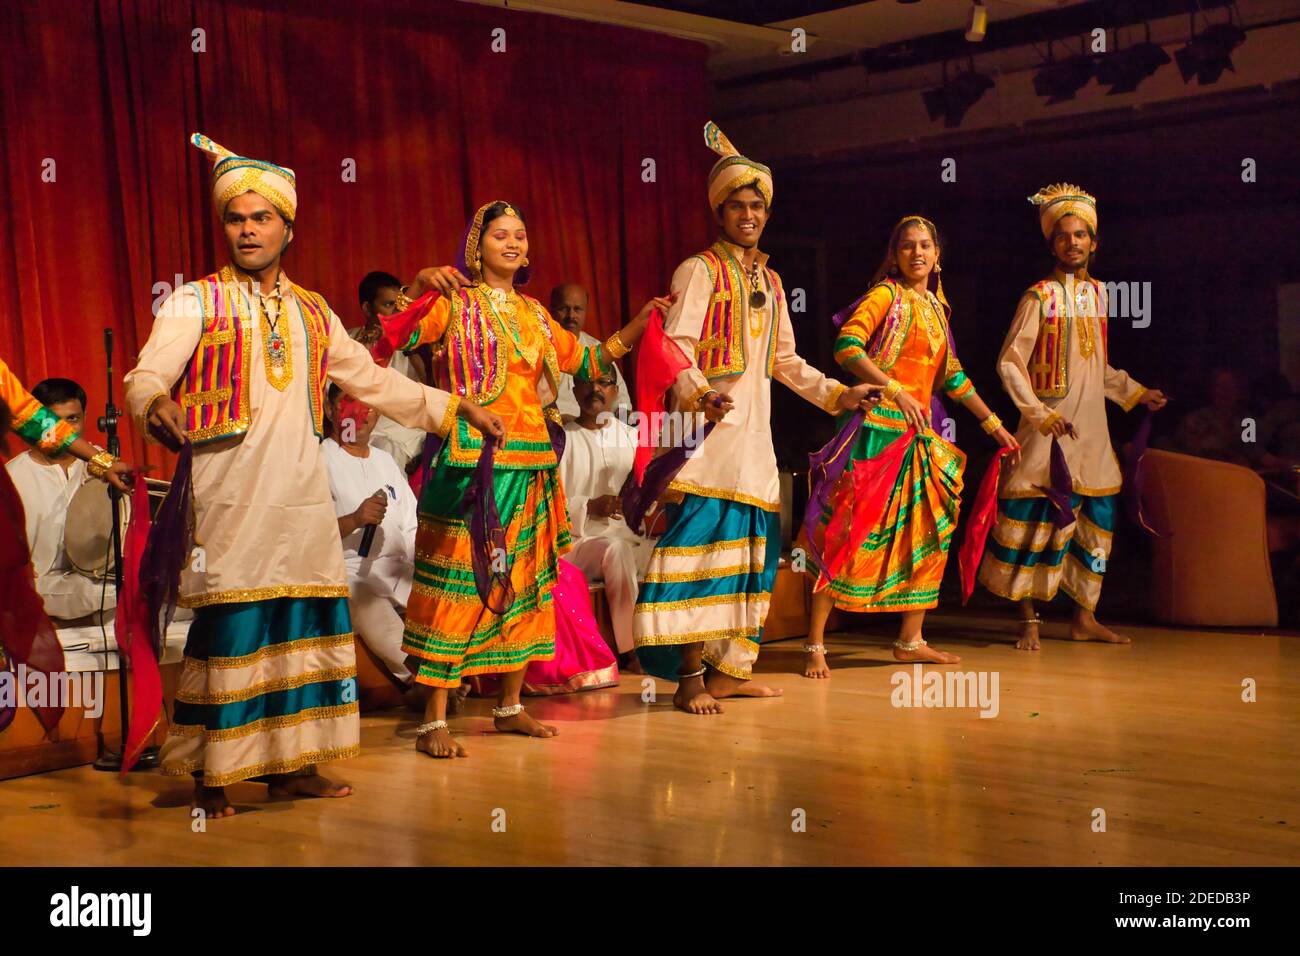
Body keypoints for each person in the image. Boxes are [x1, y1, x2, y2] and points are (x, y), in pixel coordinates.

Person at [124, 134, 502, 816]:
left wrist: (455, 407)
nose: (247, 229)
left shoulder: (312, 311)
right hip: (231, 494)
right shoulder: (196, 302)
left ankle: (293, 768)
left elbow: (375, 381)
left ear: (287, 227)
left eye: (260, 218)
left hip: (301, 496)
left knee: (304, 625)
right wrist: (154, 402)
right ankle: (215, 775)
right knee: (236, 626)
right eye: (236, 219)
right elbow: (146, 373)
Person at [378, 199, 669, 758]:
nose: (512, 243)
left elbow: (591, 361)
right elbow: (397, 332)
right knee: (458, 585)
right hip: (470, 464)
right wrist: (418, 284)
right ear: (477, 248)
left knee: (527, 586)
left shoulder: (537, 315)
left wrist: (641, 320)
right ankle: (433, 717)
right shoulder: (453, 303)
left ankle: (511, 707)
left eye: (520, 235)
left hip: (532, 463)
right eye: (499, 236)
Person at [632, 122, 878, 714]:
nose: (749, 215)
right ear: (720, 212)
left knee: (749, 559)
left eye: (758, 206)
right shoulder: (699, 271)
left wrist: (841, 395)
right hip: (708, 440)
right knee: (697, 555)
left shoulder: (768, 279)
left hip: (756, 446)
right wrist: (698, 395)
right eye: (738, 205)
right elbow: (674, 344)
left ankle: (729, 673)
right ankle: (688, 677)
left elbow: (787, 361)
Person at [802, 215, 1020, 678]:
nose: (917, 253)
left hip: (922, 437)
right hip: (877, 431)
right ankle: (815, 643)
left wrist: (994, 424)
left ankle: (911, 639)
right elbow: (847, 347)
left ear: (938, 255)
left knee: (928, 534)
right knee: (848, 529)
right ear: (894, 255)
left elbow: (953, 377)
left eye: (925, 246)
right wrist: (894, 387)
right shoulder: (887, 296)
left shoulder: (939, 310)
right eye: (907, 246)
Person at [977, 183, 1167, 650]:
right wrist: (1039, 414)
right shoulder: (1039, 298)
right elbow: (1008, 363)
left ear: (1093, 242)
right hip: (1049, 429)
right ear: (1053, 244)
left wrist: (1136, 393)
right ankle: (1029, 620)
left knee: (1097, 521)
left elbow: (1095, 366)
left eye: (1081, 235)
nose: (1073, 243)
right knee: (1037, 519)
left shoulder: (1099, 296)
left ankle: (1085, 616)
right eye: (1063, 236)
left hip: (1092, 433)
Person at [321, 385, 421, 700]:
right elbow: (302, 534)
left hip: (398, 570)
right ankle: (417, 681)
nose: (359, 413)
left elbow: (412, 523)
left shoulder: (385, 460)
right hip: (349, 570)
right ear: (329, 411)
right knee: (359, 592)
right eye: (348, 403)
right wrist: (354, 519)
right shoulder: (319, 459)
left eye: (368, 405)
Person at [559, 365, 653, 670]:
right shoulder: (562, 440)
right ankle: (631, 649)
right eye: (585, 382)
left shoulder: (633, 437)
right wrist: (587, 505)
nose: (594, 389)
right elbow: (549, 504)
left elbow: (650, 502)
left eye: (603, 382)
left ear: (615, 390)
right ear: (574, 391)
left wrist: (639, 501)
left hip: (630, 536)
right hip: (578, 543)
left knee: (676, 553)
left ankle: (683, 647)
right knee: (616, 550)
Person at [4, 378, 118, 621]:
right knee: (104, 594)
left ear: (86, 416)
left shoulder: (103, 464)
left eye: (73, 419)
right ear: (38, 423)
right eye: (56, 422)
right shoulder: (13, 476)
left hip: (97, 575)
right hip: (41, 583)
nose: (65, 431)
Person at [350, 271, 428, 471]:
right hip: (354, 428)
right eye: (388, 305)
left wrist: (411, 346)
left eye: (398, 305)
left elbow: (429, 389)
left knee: (385, 451)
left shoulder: (409, 343)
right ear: (367, 308)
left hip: (399, 431)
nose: (396, 312)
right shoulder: (347, 341)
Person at [551, 283, 632, 419]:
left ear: (586, 311)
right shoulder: (540, 347)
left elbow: (621, 403)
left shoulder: (596, 349)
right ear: (551, 310)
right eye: (564, 309)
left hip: (593, 429)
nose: (571, 316)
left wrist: (626, 429)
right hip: (552, 431)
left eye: (578, 309)